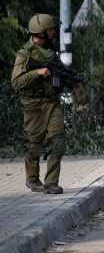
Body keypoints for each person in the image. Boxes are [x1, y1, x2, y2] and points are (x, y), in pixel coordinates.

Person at [11, 14, 85, 194]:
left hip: (52, 103)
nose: (54, 32)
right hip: (33, 105)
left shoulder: (51, 52)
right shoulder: (24, 55)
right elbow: (16, 82)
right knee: (34, 143)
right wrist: (37, 73)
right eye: (51, 29)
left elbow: (60, 74)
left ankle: (51, 182)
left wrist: (76, 85)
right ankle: (32, 179)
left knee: (58, 140)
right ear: (41, 31)